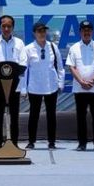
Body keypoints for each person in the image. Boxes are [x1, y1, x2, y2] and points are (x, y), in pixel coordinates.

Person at [0, 14, 26, 149]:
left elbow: (23, 64)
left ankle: (14, 144)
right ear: (0, 26)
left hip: (14, 86)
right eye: (4, 26)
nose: (6, 28)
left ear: (13, 27)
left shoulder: (19, 43)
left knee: (14, 117)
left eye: (9, 26)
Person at [66, 20, 94, 151]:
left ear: (92, 32)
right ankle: (82, 143)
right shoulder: (74, 48)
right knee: (81, 117)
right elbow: (71, 67)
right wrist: (81, 82)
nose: (86, 32)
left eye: (89, 30)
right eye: (84, 30)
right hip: (80, 89)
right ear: (80, 32)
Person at [23, 22, 65, 150]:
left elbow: (60, 67)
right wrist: (23, 89)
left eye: (43, 31)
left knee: (51, 115)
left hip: (51, 86)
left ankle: (52, 142)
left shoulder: (52, 47)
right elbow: (24, 70)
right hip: (35, 87)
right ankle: (31, 141)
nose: (42, 33)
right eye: (39, 31)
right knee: (33, 115)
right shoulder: (28, 49)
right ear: (34, 33)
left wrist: (60, 83)